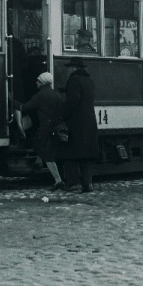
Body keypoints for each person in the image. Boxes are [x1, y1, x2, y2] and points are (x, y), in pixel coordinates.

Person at [16, 72, 66, 191]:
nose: (36, 83)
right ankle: (41, 163)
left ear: (42, 83)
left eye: (38, 81)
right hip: (56, 128)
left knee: (46, 153)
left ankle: (58, 180)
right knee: (48, 152)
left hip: (45, 129)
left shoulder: (40, 95)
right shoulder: (57, 95)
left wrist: (12, 101)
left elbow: (25, 107)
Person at [57, 57, 99, 193]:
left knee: (70, 154)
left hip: (77, 123)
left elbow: (73, 101)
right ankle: (88, 184)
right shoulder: (90, 80)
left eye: (69, 68)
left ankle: (74, 183)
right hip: (89, 122)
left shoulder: (74, 80)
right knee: (86, 156)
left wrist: (62, 114)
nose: (68, 70)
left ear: (74, 68)